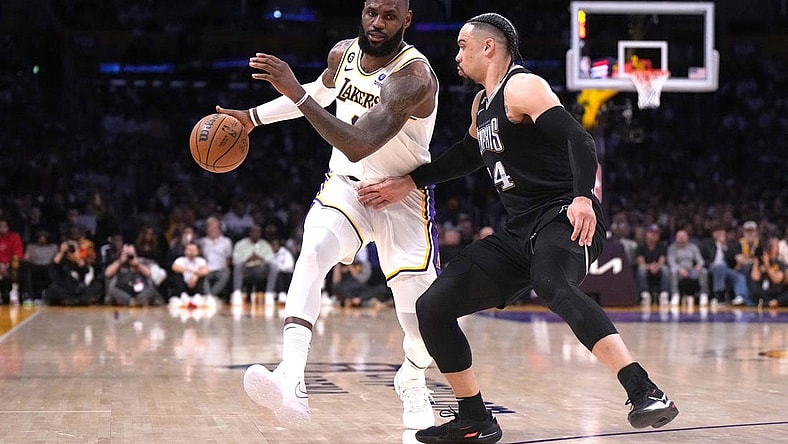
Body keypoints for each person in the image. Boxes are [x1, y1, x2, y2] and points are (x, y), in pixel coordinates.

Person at [356, 13, 678, 443]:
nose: (456, 55)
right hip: (519, 230)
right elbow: (467, 156)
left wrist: (584, 197)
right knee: (432, 308)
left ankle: (645, 392)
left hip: (564, 214)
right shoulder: (481, 105)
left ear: (488, 48)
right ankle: (475, 419)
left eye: (462, 46)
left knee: (552, 284)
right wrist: (409, 182)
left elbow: (579, 140)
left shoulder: (523, 87)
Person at [217, 0, 440, 429]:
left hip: (400, 196)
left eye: (389, 16)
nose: (377, 23)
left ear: (406, 20)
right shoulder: (342, 53)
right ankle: (291, 378)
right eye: (371, 12)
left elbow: (358, 141)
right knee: (314, 250)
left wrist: (293, 92)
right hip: (349, 186)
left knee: (420, 320)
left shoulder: (413, 77)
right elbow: (321, 94)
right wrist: (251, 118)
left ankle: (413, 378)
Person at [699, 224, 750, 306]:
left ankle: (740, 296)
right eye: (717, 232)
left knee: (739, 276)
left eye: (721, 232)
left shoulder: (730, 245)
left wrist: (724, 246)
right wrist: (709, 264)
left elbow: (732, 261)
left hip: (726, 269)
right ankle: (718, 297)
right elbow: (702, 259)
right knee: (720, 267)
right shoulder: (707, 244)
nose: (719, 234)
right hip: (711, 268)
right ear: (713, 233)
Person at [230, 224, 274, 305]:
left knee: (273, 266)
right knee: (238, 266)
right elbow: (235, 260)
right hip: (246, 270)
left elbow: (271, 259)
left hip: (261, 270)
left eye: (258, 232)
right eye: (253, 232)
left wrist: (260, 258)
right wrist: (247, 259)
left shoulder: (265, 244)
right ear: (249, 233)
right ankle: (237, 293)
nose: (256, 234)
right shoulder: (240, 244)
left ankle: (269, 293)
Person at [667, 229, 709, 306]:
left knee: (704, 271)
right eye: (679, 236)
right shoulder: (672, 248)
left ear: (687, 237)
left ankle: (703, 295)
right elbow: (671, 262)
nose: (682, 238)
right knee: (673, 271)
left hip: (692, 270)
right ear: (676, 238)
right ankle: (675, 295)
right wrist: (680, 269)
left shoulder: (693, 247)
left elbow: (701, 260)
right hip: (679, 271)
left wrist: (698, 266)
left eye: (683, 236)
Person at [196, 216, 233, 300]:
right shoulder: (201, 242)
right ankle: (209, 297)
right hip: (207, 268)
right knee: (203, 276)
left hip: (221, 268)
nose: (213, 229)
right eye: (211, 227)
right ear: (206, 229)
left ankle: (209, 297)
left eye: (216, 227)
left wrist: (226, 266)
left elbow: (228, 258)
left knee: (225, 275)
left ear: (219, 229)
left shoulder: (226, 241)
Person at [634, 224, 671, 306]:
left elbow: (662, 260)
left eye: (656, 233)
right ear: (646, 233)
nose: (654, 235)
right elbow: (640, 261)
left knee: (665, 269)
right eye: (651, 232)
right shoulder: (641, 246)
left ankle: (664, 294)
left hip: (658, 269)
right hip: (646, 268)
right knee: (641, 269)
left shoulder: (662, 245)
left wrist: (657, 266)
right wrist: (650, 266)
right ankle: (645, 294)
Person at [0, 217, 24, 305]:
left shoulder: (14, 237)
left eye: (4, 226)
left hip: (10, 264)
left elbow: (18, 254)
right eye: (0, 226)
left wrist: (6, 264)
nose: (2, 228)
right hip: (0, 265)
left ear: (8, 227)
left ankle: (14, 292)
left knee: (15, 263)